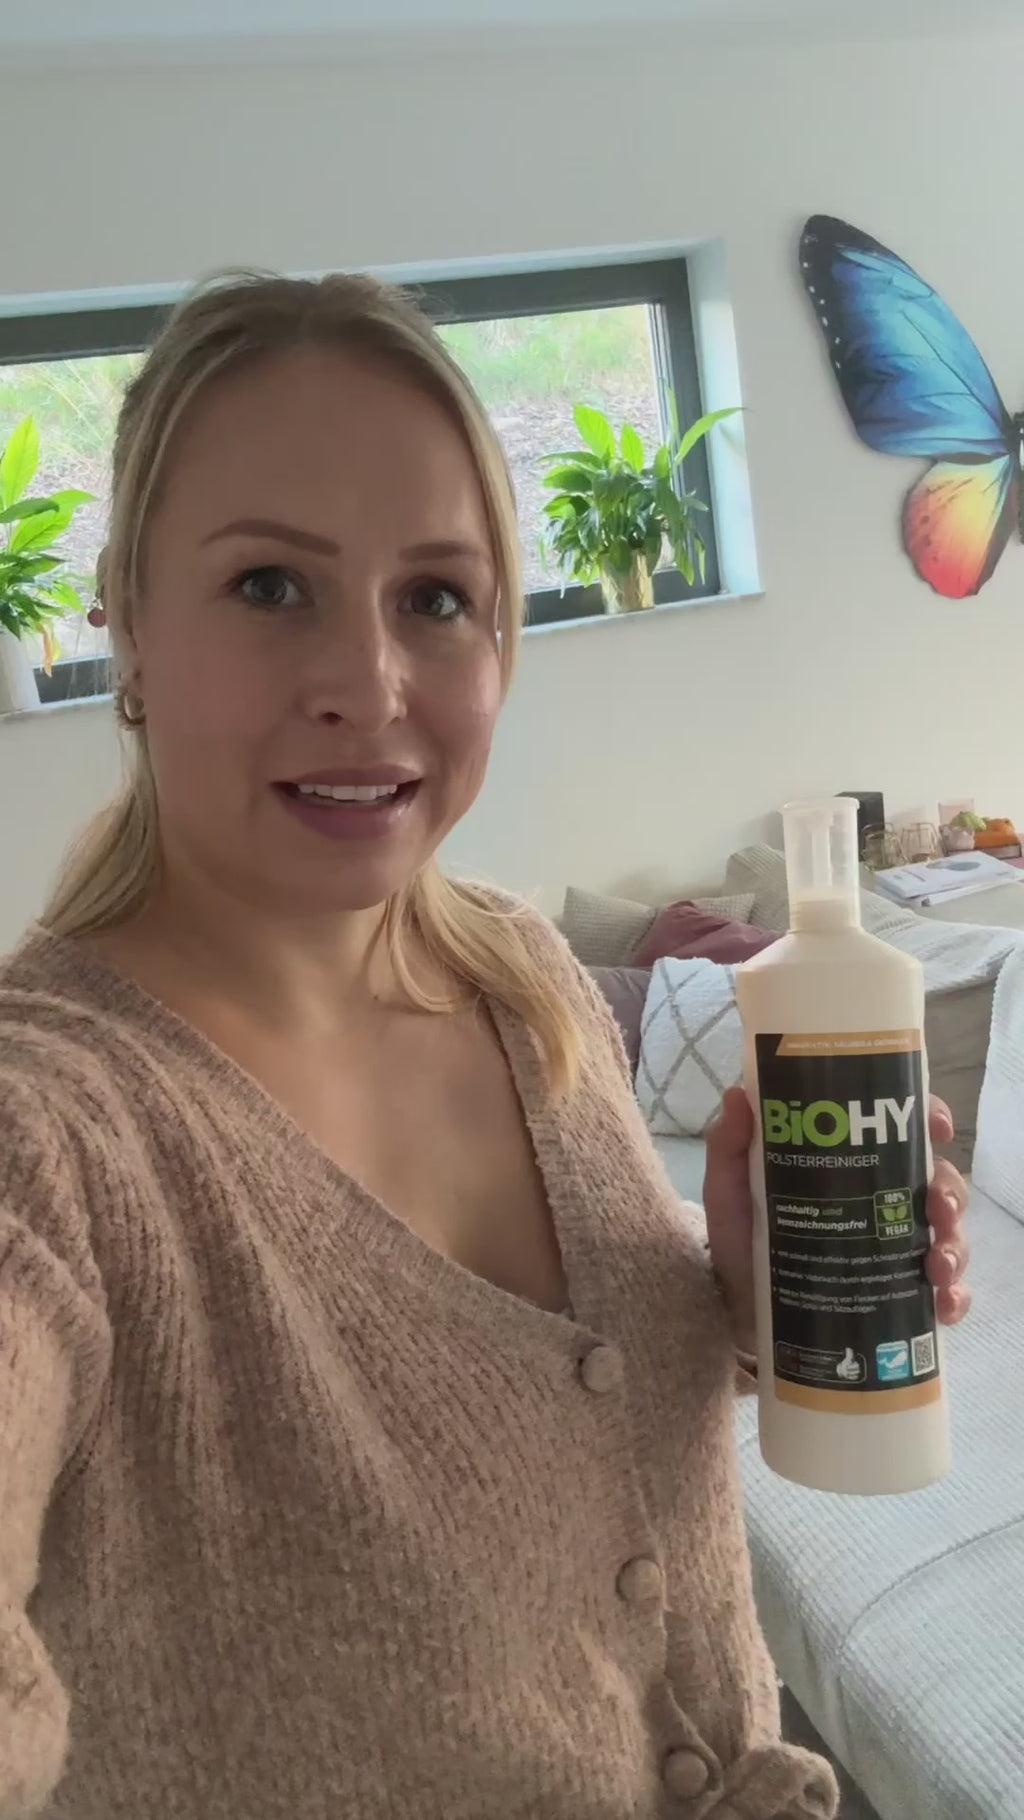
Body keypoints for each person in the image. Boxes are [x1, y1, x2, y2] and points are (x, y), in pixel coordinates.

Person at [0, 272, 970, 1820]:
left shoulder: (519, 978)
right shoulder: (52, 1126)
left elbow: (554, 1422)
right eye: (269, 585)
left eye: (437, 598)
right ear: (123, 618)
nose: (366, 685)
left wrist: (736, 1307)